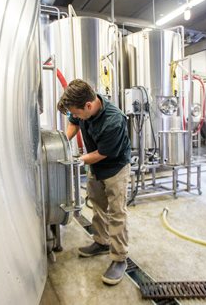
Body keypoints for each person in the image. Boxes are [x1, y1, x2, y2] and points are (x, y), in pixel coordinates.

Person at [57, 79, 131, 285]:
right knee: (98, 206)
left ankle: (119, 258)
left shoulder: (114, 120)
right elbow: (74, 121)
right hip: (95, 167)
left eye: (79, 112)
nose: (78, 116)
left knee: (116, 213)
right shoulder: (81, 103)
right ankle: (101, 242)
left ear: (88, 106)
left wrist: (75, 160)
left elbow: (102, 154)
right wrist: (63, 143)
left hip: (115, 168)